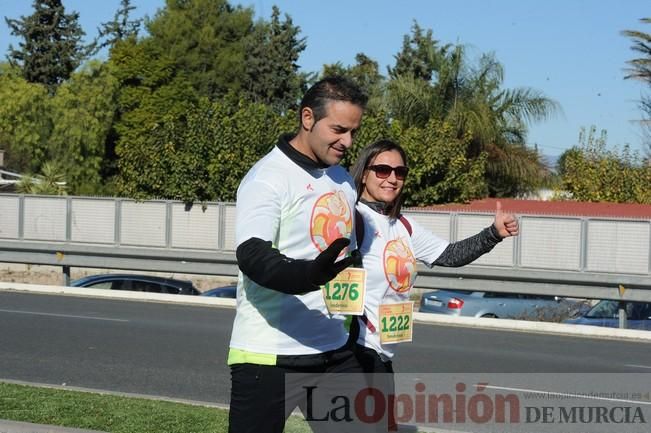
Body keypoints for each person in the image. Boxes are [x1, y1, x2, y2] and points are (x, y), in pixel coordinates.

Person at [228, 76, 369, 433]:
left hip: (333, 350)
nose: (347, 142)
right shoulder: (267, 177)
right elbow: (252, 255)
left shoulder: (343, 180)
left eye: (353, 131)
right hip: (269, 354)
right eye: (338, 129)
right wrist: (308, 275)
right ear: (308, 118)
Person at [349, 139, 519, 430]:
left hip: (382, 351)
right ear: (364, 173)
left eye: (400, 172)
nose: (392, 178)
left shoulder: (403, 226)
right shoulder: (352, 218)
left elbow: (450, 255)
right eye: (382, 170)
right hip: (354, 350)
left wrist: (493, 234)